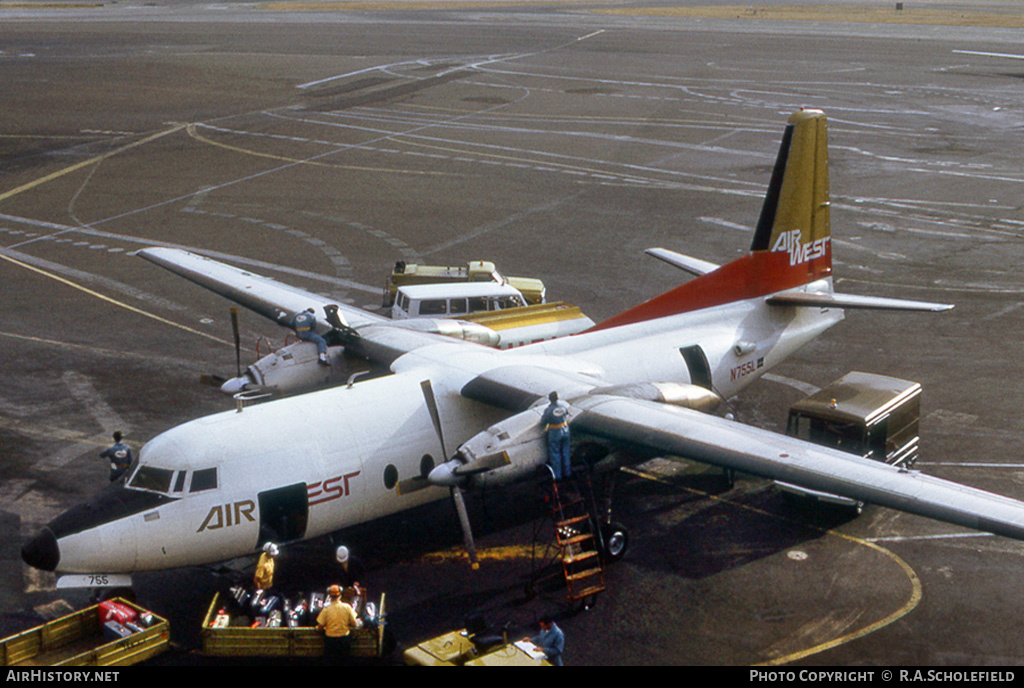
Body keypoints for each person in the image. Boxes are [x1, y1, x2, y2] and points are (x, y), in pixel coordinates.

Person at [317, 584, 362, 663]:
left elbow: (320, 627)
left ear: (330, 596)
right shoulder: (347, 607)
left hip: (330, 642)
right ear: (340, 595)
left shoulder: (326, 609)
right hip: (344, 641)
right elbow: (355, 623)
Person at [540, 391, 572, 481]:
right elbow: (566, 413)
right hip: (565, 430)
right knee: (566, 451)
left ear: (550, 399)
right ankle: (568, 473)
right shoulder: (563, 406)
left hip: (555, 432)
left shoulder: (549, 410)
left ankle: (557, 476)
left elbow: (543, 422)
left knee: (555, 453)